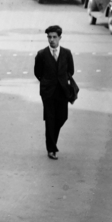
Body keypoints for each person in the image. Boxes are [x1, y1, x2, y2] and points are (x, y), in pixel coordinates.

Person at [34, 25, 75, 160]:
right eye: (49, 37)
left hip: (63, 91)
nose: (51, 40)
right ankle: (51, 149)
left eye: (54, 37)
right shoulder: (41, 54)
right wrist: (46, 82)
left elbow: (71, 71)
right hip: (48, 92)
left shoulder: (66, 53)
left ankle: (52, 143)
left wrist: (63, 81)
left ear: (60, 38)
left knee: (62, 117)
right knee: (50, 119)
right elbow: (37, 73)